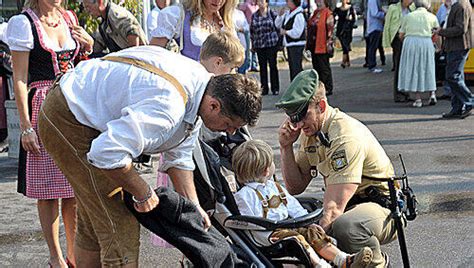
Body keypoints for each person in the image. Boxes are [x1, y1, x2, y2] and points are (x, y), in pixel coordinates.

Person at [38, 45, 262, 267]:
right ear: (214, 105)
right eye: (230, 124)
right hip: (68, 117)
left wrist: (194, 207)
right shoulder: (168, 108)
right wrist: (143, 192)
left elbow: (179, 158)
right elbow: (106, 153)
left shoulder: (202, 86)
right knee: (119, 223)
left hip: (80, 107)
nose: (230, 132)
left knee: (94, 219)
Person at [276, 70, 398, 267]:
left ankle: (377, 264)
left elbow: (334, 210)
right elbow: (295, 186)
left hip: (382, 207)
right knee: (303, 219)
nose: (297, 125)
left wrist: (311, 239)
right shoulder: (311, 130)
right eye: (292, 118)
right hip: (351, 204)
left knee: (346, 227)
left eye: (301, 116)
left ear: (321, 106)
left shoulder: (344, 136)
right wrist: (285, 147)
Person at [6, 0, 94, 266]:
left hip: (73, 106)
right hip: (42, 106)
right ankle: (56, 258)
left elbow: (80, 64)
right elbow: (20, 78)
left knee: (73, 189)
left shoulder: (67, 17)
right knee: (48, 191)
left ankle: (74, 254)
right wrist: (25, 127)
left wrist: (88, 47)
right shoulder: (24, 23)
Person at [232, 140, 374, 268]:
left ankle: (343, 260)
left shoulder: (274, 187)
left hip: (285, 226)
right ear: (266, 170)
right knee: (297, 239)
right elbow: (251, 221)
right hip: (267, 234)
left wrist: (307, 221)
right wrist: (273, 225)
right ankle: (320, 265)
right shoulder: (244, 195)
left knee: (313, 231)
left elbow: (293, 206)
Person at [150, 0, 237, 61]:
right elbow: (151, 54)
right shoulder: (176, 15)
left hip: (222, 85)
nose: (218, 0)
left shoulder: (227, 22)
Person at [435, 0, 473, 119]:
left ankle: (469, 101)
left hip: (459, 46)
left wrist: (441, 32)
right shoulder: (459, 4)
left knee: (453, 76)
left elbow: (460, 28)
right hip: (457, 46)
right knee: (456, 76)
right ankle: (457, 108)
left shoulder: (461, 5)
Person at [397, 0, 439, 108]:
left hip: (411, 42)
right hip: (426, 42)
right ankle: (432, 94)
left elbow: (401, 34)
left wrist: (405, 42)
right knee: (428, 68)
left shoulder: (408, 16)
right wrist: (438, 46)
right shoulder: (432, 17)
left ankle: (418, 98)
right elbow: (436, 33)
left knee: (414, 69)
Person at [83, 0, 147, 56]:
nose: (87, 11)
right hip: (121, 56)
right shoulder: (103, 21)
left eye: (88, 7)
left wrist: (132, 57)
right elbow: (99, 44)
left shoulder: (115, 14)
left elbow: (132, 31)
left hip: (137, 56)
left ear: (100, 2)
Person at [382, 0, 415, 102]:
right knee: (399, 66)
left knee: (407, 67)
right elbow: (387, 24)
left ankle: (406, 92)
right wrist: (386, 42)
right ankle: (398, 94)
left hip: (408, 38)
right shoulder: (393, 8)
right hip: (398, 39)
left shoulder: (412, 7)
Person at [250, 0, 280, 95]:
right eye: (259, 2)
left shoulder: (272, 14)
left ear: (266, 3)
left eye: (262, 1)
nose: (260, 4)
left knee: (272, 66)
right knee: (262, 67)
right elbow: (252, 31)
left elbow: (278, 28)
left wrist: (279, 43)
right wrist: (253, 45)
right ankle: (264, 88)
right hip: (259, 44)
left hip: (271, 44)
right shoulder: (254, 15)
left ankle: (275, 88)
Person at [306, 0, 335, 95]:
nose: (318, 2)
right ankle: (319, 88)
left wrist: (329, 44)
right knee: (316, 68)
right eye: (317, 1)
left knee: (324, 68)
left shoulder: (328, 13)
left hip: (323, 45)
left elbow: (330, 31)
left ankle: (328, 87)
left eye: (320, 1)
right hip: (314, 45)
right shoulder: (315, 13)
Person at [275, 0, 306, 81]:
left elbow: (297, 33)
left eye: (288, 1)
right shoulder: (288, 13)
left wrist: (286, 32)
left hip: (297, 45)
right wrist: (280, 15)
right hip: (290, 44)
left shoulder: (299, 15)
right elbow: (277, 25)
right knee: (293, 69)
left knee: (296, 69)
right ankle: (294, 87)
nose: (286, 3)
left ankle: (299, 88)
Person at [435, 0, 453, 100]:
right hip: (444, 42)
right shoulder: (442, 8)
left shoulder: (457, 7)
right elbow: (437, 23)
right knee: (445, 66)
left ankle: (454, 92)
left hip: (454, 42)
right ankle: (447, 91)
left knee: (453, 68)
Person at [334, 0, 357, 68]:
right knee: (344, 45)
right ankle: (345, 61)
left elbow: (354, 19)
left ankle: (345, 61)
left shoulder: (350, 8)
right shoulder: (338, 8)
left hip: (347, 29)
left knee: (346, 44)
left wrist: (350, 21)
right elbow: (333, 15)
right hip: (340, 28)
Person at [365, 0, 385, 73]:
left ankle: (372, 64)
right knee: (373, 47)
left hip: (376, 27)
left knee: (374, 47)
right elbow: (374, 13)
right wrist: (385, 14)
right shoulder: (373, 1)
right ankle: (372, 66)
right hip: (374, 27)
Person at [240, 0, 259, 71]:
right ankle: (249, 64)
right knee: (249, 47)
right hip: (248, 28)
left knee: (255, 46)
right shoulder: (247, 4)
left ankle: (254, 64)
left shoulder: (256, 5)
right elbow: (239, 10)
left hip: (256, 28)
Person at [233, 7, 251, 74]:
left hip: (242, 39)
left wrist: (242, 29)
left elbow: (246, 26)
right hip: (232, 41)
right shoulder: (226, 13)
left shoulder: (240, 13)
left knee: (243, 60)